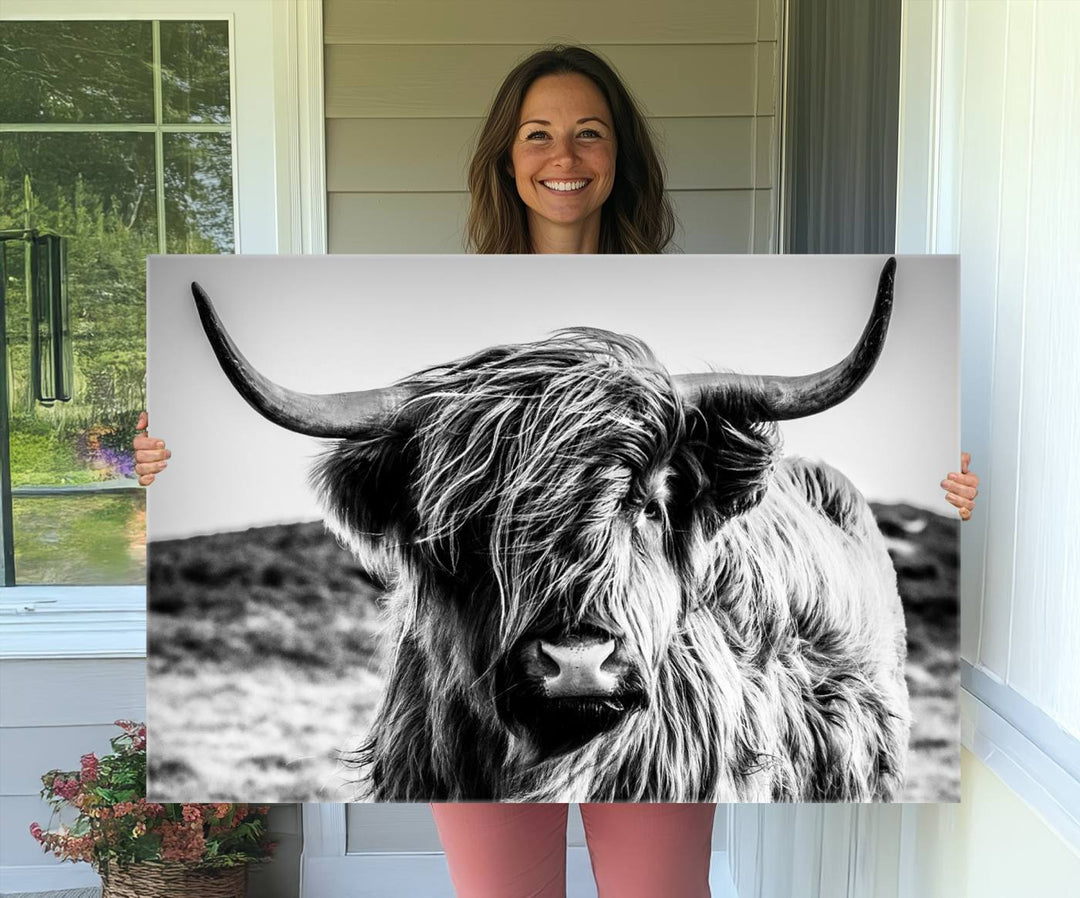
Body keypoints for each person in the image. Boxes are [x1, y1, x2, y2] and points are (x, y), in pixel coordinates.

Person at [134, 45, 979, 898]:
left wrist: (975, 487)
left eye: (590, 135)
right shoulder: (419, 269)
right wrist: (140, 462)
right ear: (506, 157)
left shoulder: (721, 267)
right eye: (537, 135)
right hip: (473, 704)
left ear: (622, 157)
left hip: (665, 706)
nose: (564, 158)